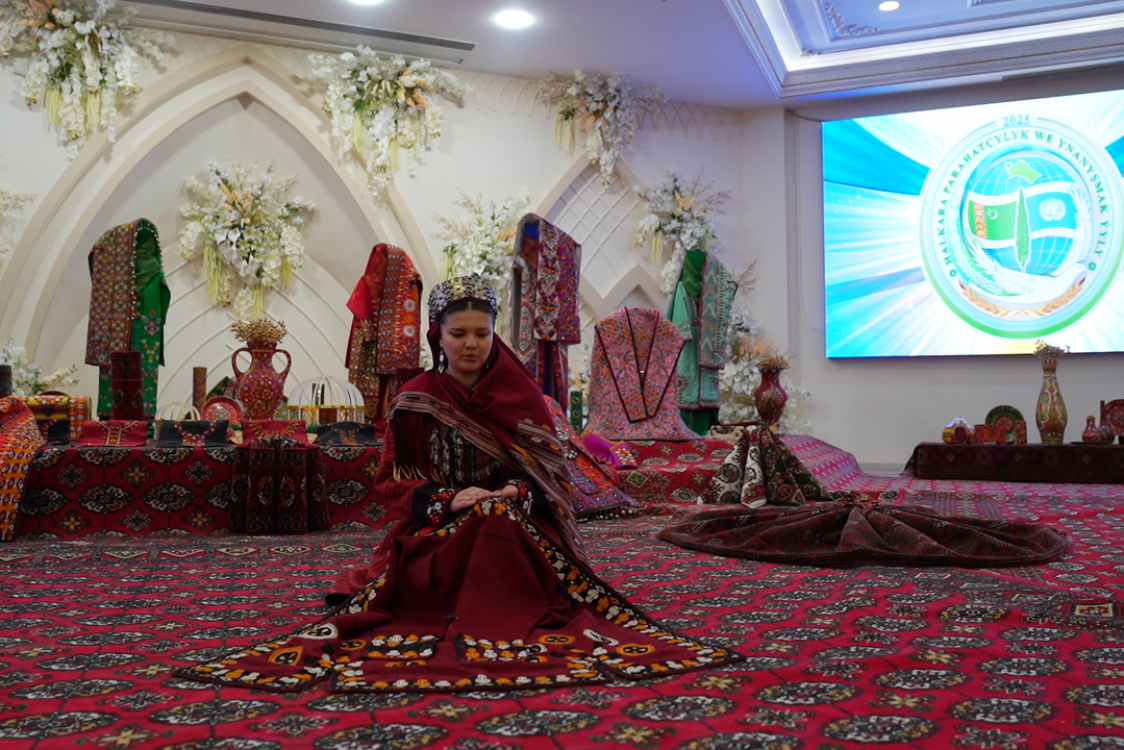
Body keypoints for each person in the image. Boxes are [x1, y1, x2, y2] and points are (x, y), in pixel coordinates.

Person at [181, 275, 740, 694]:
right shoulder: (416, 400)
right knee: (469, 533)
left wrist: (515, 493)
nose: (471, 344)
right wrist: (449, 499)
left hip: (518, 523)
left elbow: (553, 478)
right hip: (438, 525)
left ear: (494, 334)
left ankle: (496, 611)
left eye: (482, 333)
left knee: (497, 523)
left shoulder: (524, 397)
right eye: (458, 334)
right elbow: (389, 484)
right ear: (438, 336)